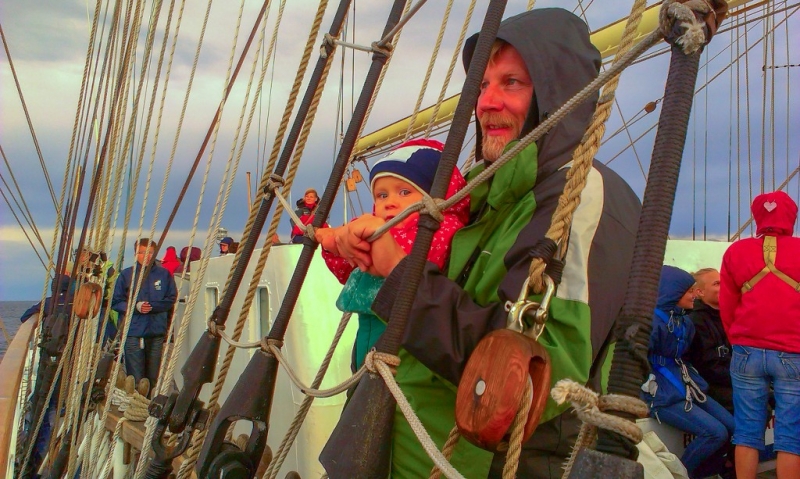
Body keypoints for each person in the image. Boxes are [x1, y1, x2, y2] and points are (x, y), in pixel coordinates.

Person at [326, 9, 642, 478]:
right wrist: (363, 245)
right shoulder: (480, 188)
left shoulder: (581, 199)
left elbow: (536, 377)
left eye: (511, 82)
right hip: (405, 453)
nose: (486, 102)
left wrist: (402, 274)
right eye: (482, 85)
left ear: (557, 93)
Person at [719, 190, 800, 479]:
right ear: (791, 216)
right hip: (793, 351)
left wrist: (737, 340)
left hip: (746, 351)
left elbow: (727, 305)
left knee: (746, 432)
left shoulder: (735, 252)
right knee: (790, 435)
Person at [643, 265, 734, 479]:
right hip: (660, 393)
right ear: (673, 292)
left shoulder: (684, 321)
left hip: (684, 385)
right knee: (715, 433)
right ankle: (681, 475)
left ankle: (706, 472)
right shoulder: (650, 323)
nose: (694, 295)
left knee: (732, 426)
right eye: (689, 291)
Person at [112, 238, 177, 391]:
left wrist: (152, 306)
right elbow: (115, 301)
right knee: (136, 378)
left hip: (156, 331)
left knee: (153, 378)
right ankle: (136, 401)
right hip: (133, 332)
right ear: (136, 253)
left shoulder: (164, 275)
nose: (146, 256)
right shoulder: (126, 275)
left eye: (150, 253)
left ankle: (149, 402)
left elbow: (171, 299)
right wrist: (136, 307)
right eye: (142, 252)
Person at [687, 268, 733, 412]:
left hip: (733, 379)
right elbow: (709, 367)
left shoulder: (729, 316)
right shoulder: (695, 321)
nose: (724, 287)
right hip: (710, 387)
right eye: (717, 284)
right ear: (700, 292)